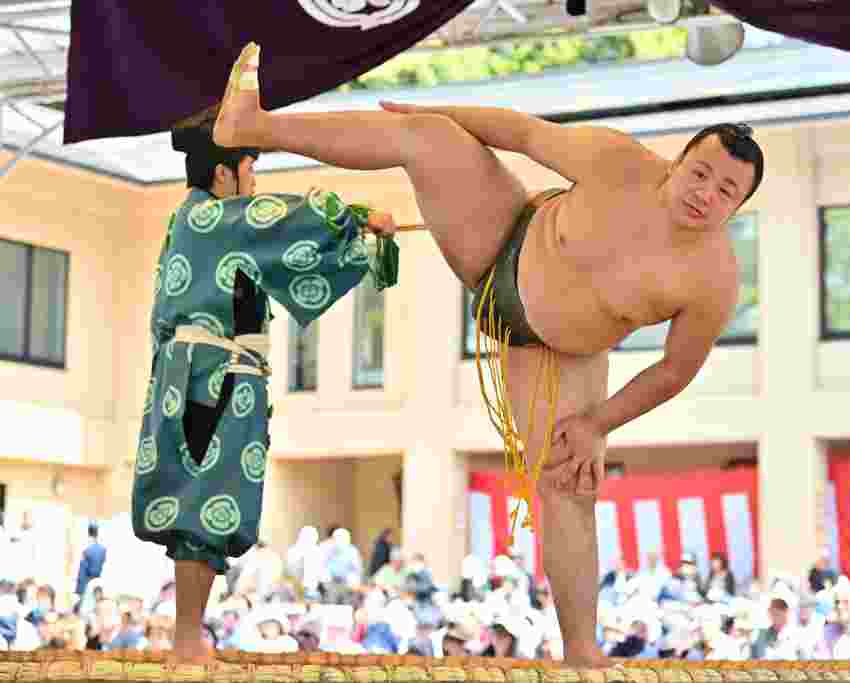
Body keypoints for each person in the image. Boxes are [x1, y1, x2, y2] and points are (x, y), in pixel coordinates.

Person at [213, 42, 764, 667]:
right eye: (701, 173)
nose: (706, 194)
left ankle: (582, 652)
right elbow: (521, 132)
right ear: (677, 162)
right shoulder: (617, 160)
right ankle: (253, 126)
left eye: (726, 191)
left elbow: (673, 370)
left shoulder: (712, 280)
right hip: (502, 235)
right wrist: (440, 114)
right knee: (426, 138)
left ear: (736, 207)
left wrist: (596, 424)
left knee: (568, 483)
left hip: (555, 350)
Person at [133, 112, 398, 663]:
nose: (253, 183)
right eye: (249, 170)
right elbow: (288, 219)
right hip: (213, 377)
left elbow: (271, 234)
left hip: (201, 374)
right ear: (224, 175)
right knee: (203, 503)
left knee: (203, 501)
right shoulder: (212, 218)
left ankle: (188, 635)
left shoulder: (193, 219)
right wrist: (361, 219)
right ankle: (186, 639)